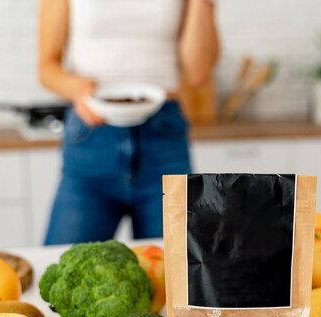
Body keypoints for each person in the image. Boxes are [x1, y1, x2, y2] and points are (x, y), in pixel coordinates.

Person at [38, 0, 219, 245]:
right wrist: (77, 89)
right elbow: (46, 67)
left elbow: (198, 72)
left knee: (177, 274)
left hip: (163, 140)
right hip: (91, 140)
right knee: (61, 263)